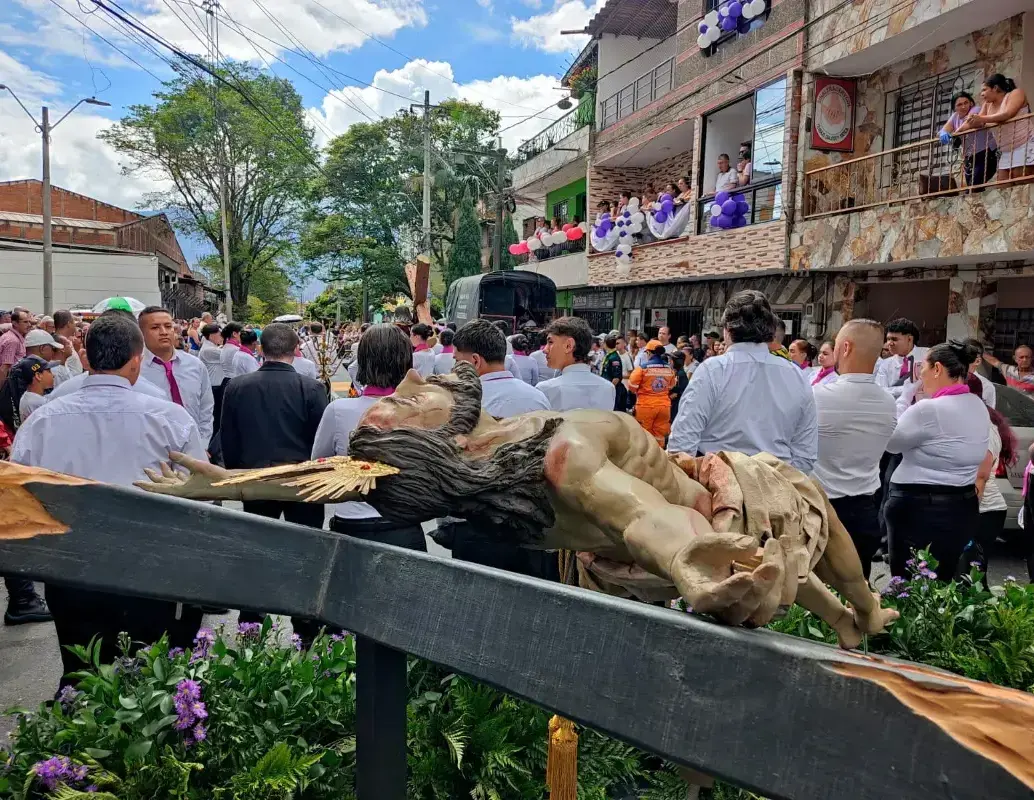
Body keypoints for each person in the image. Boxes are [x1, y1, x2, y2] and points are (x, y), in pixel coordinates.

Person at [10, 313, 206, 684]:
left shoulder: (44, 421)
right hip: (152, 570)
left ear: (86, 356)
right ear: (136, 360)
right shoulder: (170, 419)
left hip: (70, 569)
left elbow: (19, 496)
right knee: (155, 681)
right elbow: (197, 499)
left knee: (83, 675)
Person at [220, 323, 329, 642]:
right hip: (302, 483)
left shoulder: (238, 386)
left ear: (260, 349)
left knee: (256, 551)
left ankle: (251, 621)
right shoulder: (311, 388)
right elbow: (319, 442)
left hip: (256, 479)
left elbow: (229, 436)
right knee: (305, 555)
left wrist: (239, 473)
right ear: (296, 348)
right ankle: (306, 625)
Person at [668, 290, 817, 473]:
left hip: (716, 490)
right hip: (776, 487)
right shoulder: (797, 376)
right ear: (770, 331)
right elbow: (805, 455)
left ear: (727, 330)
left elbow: (682, 446)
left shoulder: (713, 370)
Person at [313, 324, 426, 551]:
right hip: (404, 525)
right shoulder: (424, 411)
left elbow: (318, 465)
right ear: (406, 362)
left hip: (351, 524)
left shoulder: (338, 410)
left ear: (362, 360)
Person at [884, 341, 989, 579]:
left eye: (923, 367)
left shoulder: (928, 410)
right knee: (943, 580)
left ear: (938, 369)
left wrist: (904, 398)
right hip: (962, 504)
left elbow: (892, 443)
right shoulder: (977, 405)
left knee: (908, 581)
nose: (920, 374)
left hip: (918, 506)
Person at [812, 320, 897, 582]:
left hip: (821, 509)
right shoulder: (888, 402)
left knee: (817, 595)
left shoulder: (818, 396)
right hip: (864, 509)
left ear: (845, 347)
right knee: (857, 590)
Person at [138, 306, 215, 446]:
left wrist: (203, 444)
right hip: (152, 449)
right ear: (141, 333)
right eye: (155, 328)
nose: (164, 332)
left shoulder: (195, 365)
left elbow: (206, 407)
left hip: (194, 446)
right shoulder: (134, 370)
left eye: (168, 326)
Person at [964, 374, 1015, 582]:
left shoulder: (984, 427)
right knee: (970, 576)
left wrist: (966, 516)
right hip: (978, 507)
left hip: (984, 509)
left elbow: (981, 477)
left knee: (970, 575)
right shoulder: (969, 422)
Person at [962, 73, 1034, 183]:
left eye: (984, 90)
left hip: (1024, 144)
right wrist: (955, 133)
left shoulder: (1016, 93)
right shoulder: (987, 104)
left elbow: (1007, 114)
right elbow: (975, 123)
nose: (981, 94)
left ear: (995, 88)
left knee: (1022, 183)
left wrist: (981, 118)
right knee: (1002, 186)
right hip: (1005, 150)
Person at [538, 316, 615, 412]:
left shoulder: (546, 389)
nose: (545, 350)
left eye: (550, 342)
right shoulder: (608, 388)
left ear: (568, 346)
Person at [939, 90, 998, 187]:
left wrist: (954, 134)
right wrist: (943, 133)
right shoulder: (955, 116)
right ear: (954, 108)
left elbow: (967, 125)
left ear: (971, 102)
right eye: (959, 104)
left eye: (966, 103)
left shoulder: (976, 110)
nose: (963, 106)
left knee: (974, 186)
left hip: (986, 153)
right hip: (970, 157)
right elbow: (943, 130)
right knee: (972, 186)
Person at [629, 339, 675, 446]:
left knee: (644, 436)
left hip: (646, 406)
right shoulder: (669, 369)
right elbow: (671, 386)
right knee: (660, 436)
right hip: (664, 407)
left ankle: (646, 460)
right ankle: (659, 458)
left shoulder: (642, 368)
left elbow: (632, 387)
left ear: (648, 352)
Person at [875, 318, 927, 398]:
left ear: (910, 339)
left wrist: (892, 390)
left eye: (894, 339)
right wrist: (908, 389)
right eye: (888, 339)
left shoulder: (928, 356)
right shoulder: (885, 364)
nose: (889, 343)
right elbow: (880, 391)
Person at [962, 337, 996, 408]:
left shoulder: (987, 386)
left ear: (978, 361)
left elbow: (989, 415)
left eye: (967, 357)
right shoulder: (949, 379)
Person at [0, 309, 31, 383]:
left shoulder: (14, 337)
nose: (29, 325)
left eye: (29, 321)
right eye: (25, 322)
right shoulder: (12, 340)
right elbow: (4, 368)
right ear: (15, 323)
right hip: (9, 383)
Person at [601, 335, 626, 412]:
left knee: (615, 412)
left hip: (614, 391)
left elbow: (616, 378)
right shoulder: (609, 356)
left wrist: (609, 390)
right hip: (609, 389)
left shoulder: (614, 358)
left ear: (605, 344)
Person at [668, 350, 689, 424]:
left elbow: (680, 391)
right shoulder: (676, 373)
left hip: (677, 406)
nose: (670, 362)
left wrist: (670, 397)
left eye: (672, 360)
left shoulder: (681, 374)